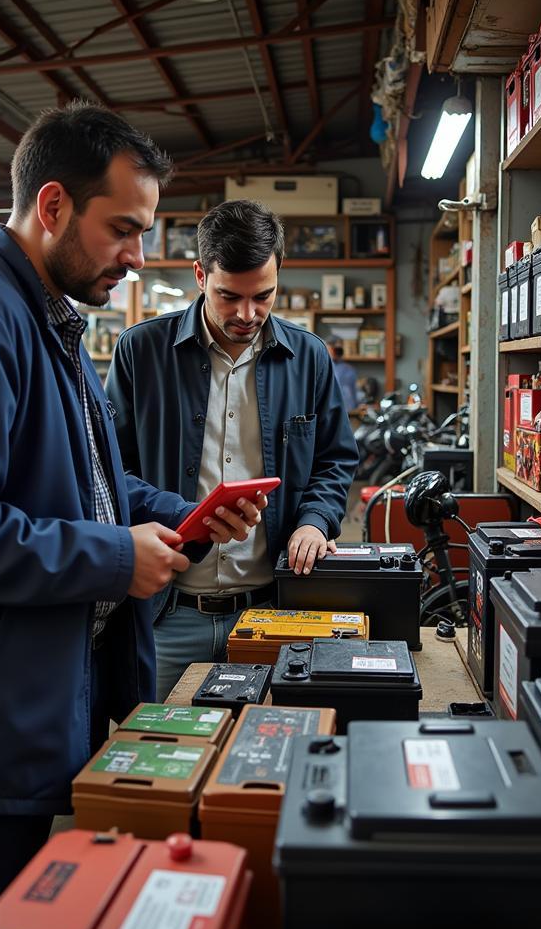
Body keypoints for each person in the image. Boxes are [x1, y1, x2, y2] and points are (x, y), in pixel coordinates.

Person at [0, 102, 265, 929]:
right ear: (52, 207)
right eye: (122, 228)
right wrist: (113, 558)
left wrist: (183, 517)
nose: (138, 256)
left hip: (19, 714)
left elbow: (87, 482)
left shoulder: (49, 317)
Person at [106, 199, 359, 700]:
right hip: (168, 614)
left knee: (267, 752)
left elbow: (335, 460)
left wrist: (315, 520)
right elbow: (109, 470)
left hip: (271, 611)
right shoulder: (140, 352)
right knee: (161, 755)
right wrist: (184, 515)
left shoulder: (307, 357)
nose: (247, 314)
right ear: (200, 275)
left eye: (263, 295)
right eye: (229, 296)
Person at [328, 335, 360, 411]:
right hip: (329, 412)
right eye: (333, 348)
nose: (336, 352)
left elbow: (355, 391)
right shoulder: (322, 368)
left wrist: (359, 404)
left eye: (338, 349)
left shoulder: (349, 369)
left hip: (349, 410)